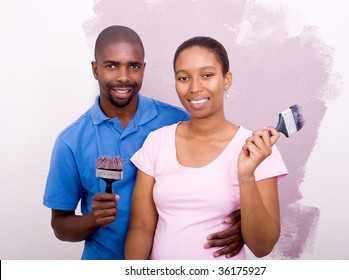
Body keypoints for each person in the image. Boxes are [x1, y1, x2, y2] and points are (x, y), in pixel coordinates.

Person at [43, 26, 244, 260]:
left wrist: (241, 223)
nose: (124, 77)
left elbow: (214, 184)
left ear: (144, 68)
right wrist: (92, 219)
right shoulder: (71, 142)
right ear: (95, 70)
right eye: (111, 66)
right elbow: (60, 225)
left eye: (134, 66)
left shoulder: (177, 121)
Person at [125, 36, 288, 260]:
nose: (194, 87)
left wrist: (246, 176)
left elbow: (263, 247)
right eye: (183, 78)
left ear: (227, 80)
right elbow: (141, 226)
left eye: (207, 75)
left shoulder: (257, 150)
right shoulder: (157, 142)